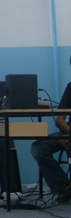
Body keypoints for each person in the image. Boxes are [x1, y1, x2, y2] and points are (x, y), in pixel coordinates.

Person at [31, 68, 71, 203]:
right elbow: (59, 120)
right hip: (68, 132)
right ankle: (63, 187)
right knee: (38, 148)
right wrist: (68, 132)